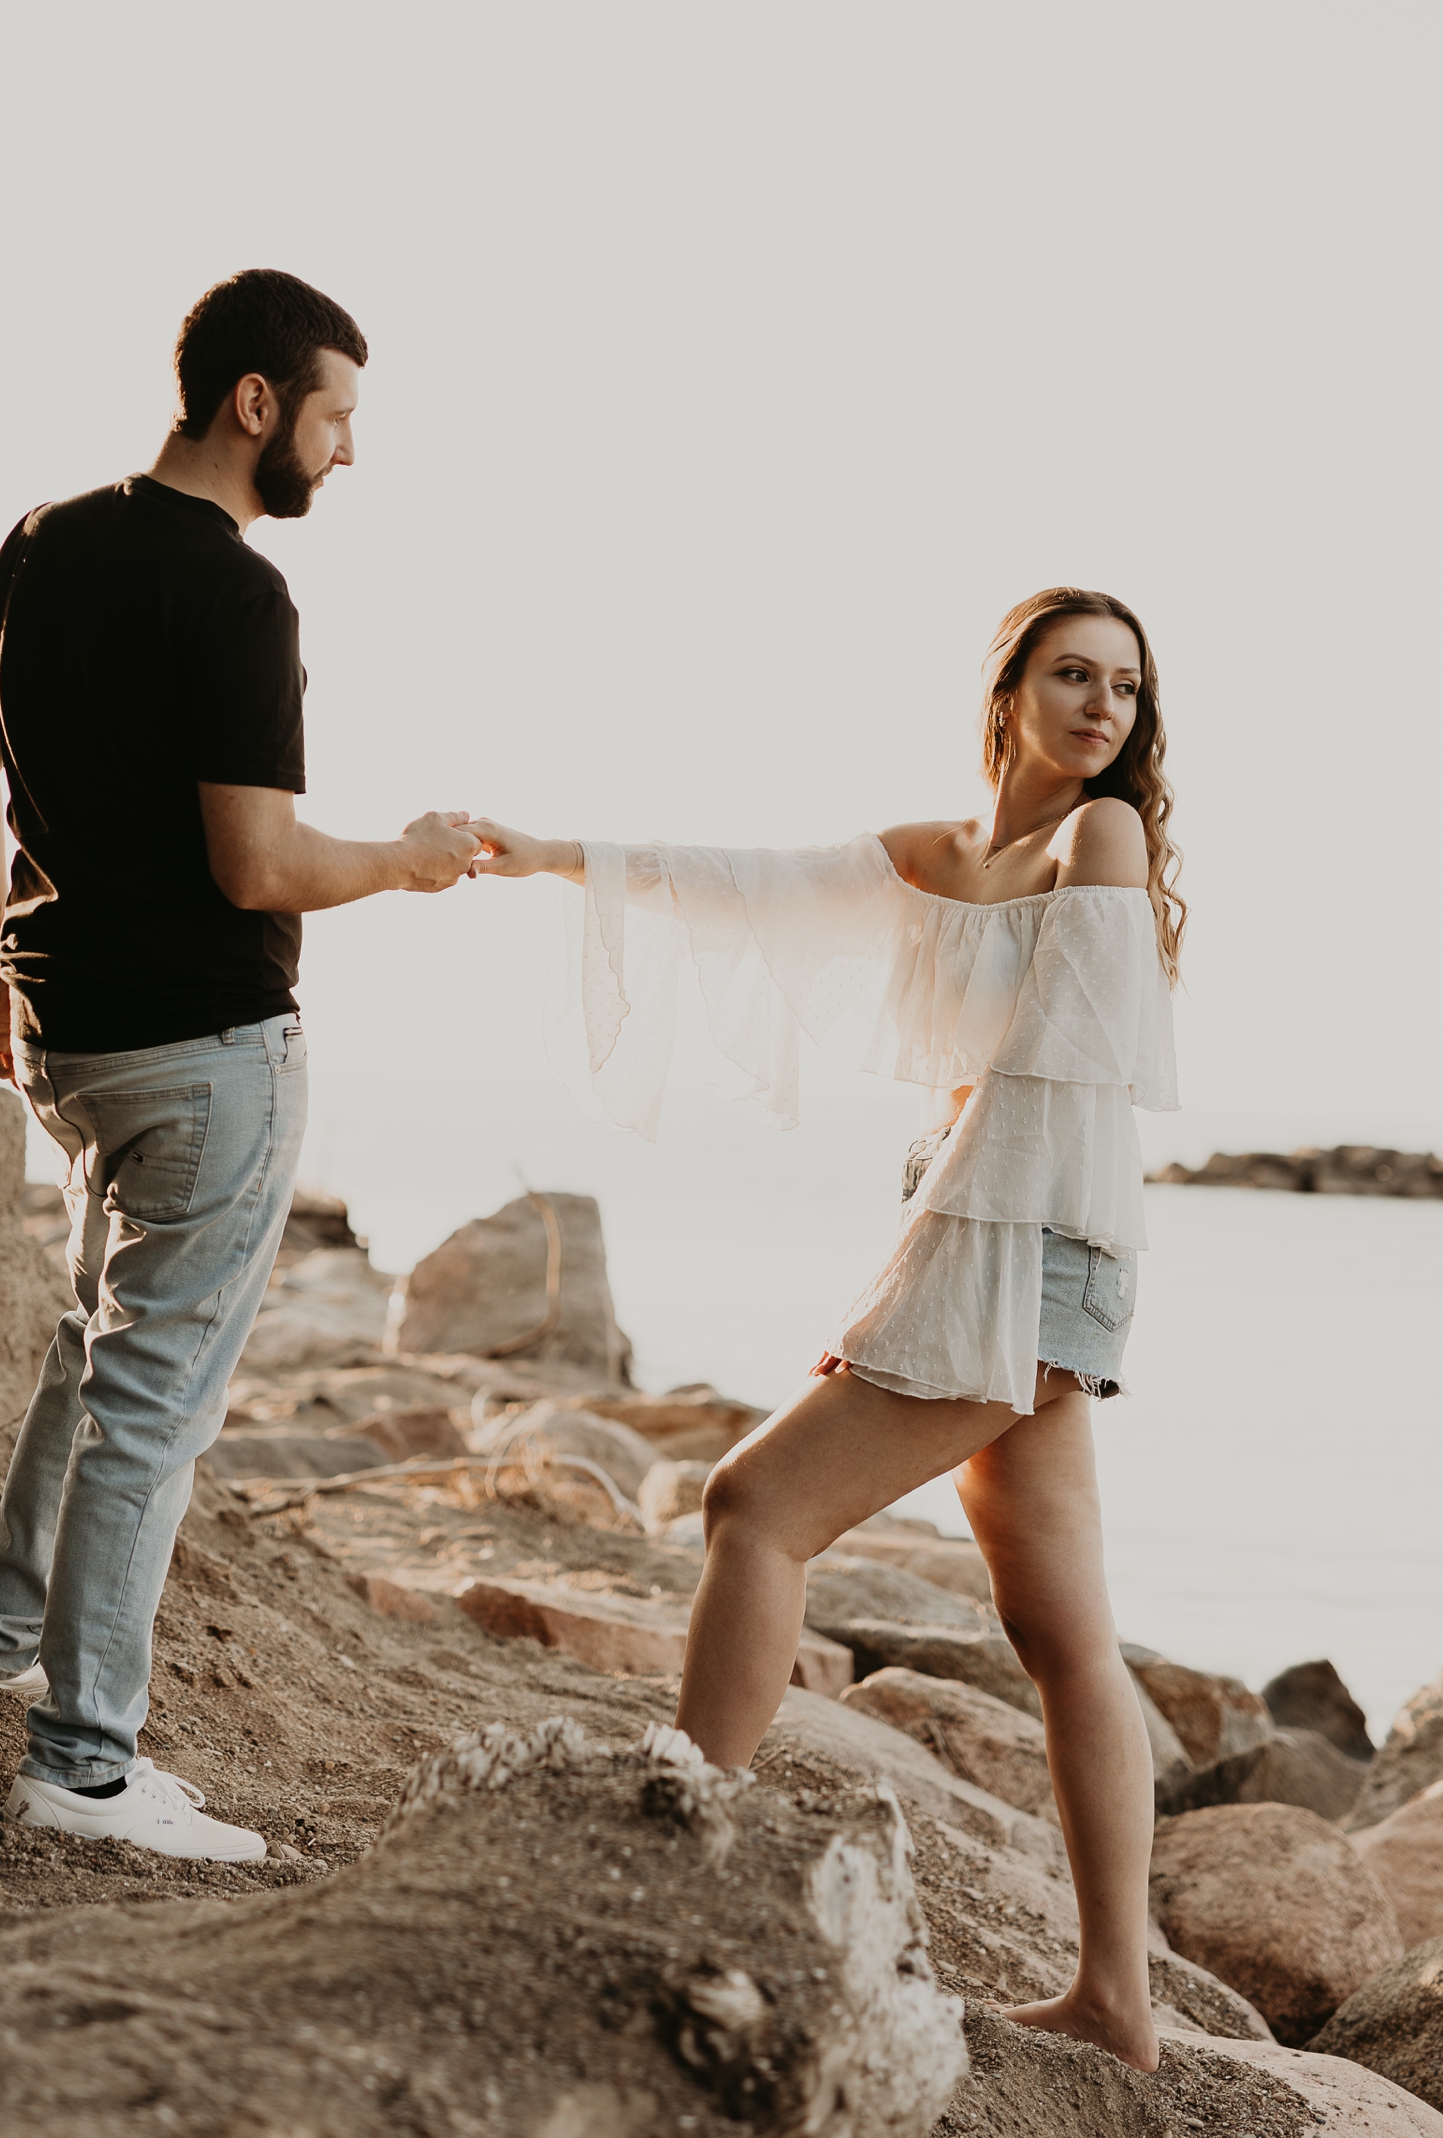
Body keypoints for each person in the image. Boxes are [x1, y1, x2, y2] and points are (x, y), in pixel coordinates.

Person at [468, 587, 1183, 2072]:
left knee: (753, 1506)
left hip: (1027, 1255)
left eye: (1125, 685)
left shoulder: (1095, 842)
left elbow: (1062, 1102)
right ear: (1008, 696)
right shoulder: (946, 853)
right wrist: (557, 856)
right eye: (1072, 674)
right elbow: (755, 883)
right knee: (1061, 1633)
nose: (1103, 705)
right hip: (1002, 1244)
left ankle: (682, 1854)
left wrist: (908, 1301)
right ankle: (1118, 2004)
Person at [0, 267, 480, 1863]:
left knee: (89, 1347)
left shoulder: (35, 542)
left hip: (68, 1031)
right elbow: (257, 863)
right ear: (259, 405)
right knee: (152, 1399)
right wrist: (409, 856)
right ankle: (85, 1763)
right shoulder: (240, 595)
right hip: (205, 1046)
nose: (350, 452)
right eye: (338, 416)